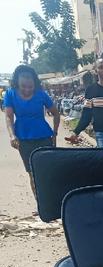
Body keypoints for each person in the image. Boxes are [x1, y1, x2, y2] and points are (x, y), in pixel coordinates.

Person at [4, 64, 60, 196]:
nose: (27, 90)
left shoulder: (41, 94)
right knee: (32, 173)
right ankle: (41, 205)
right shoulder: (10, 94)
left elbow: (56, 114)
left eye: (30, 87)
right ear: (17, 83)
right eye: (23, 87)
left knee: (47, 171)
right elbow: (8, 116)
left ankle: (51, 200)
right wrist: (12, 135)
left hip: (44, 137)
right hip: (23, 140)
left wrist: (55, 132)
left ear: (35, 83)